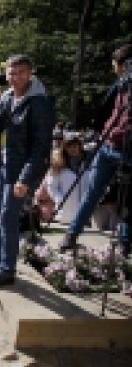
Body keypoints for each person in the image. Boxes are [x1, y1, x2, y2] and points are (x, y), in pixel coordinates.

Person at [0, 54, 55, 287]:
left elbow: (41, 147)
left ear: (30, 73)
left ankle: (7, 269)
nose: (15, 77)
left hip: (21, 171)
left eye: (20, 72)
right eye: (11, 73)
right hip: (5, 167)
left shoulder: (38, 103)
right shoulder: (7, 98)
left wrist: (25, 179)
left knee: (8, 217)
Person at [60, 44, 132, 254]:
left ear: (122, 64)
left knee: (125, 199)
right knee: (97, 194)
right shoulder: (122, 83)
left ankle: (123, 244)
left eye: (115, 65)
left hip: (124, 148)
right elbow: (108, 109)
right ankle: (72, 236)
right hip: (110, 144)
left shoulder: (125, 82)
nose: (115, 69)